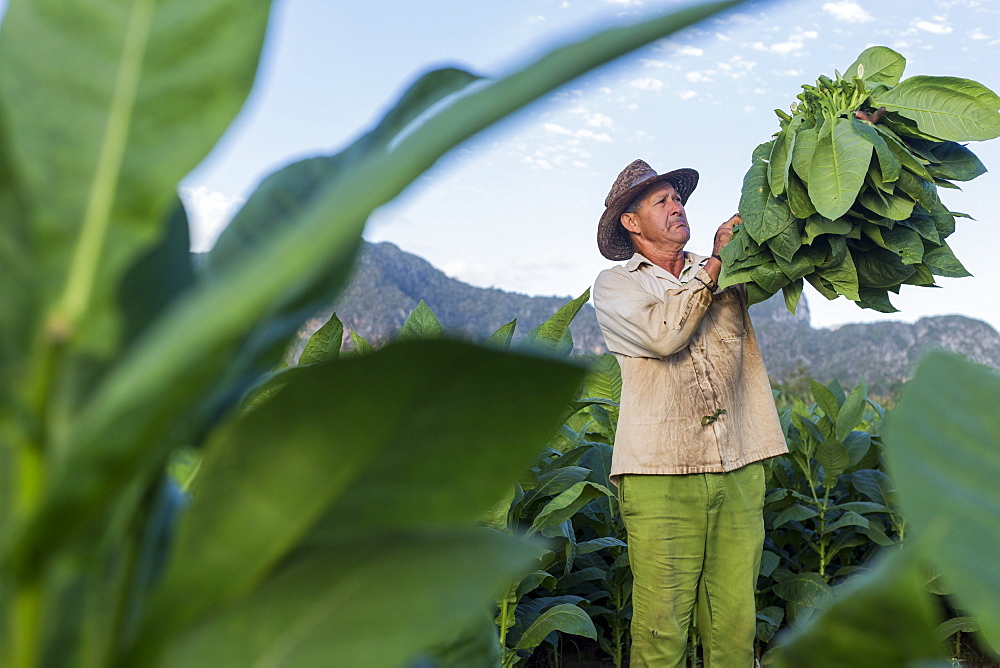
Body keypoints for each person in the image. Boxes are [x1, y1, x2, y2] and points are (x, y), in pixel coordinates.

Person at [592, 159, 788, 667]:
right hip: (660, 471)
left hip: (739, 463)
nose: (677, 207)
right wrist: (716, 266)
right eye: (661, 202)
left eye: (677, 199)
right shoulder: (616, 285)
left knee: (735, 627)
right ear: (631, 223)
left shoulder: (725, 265)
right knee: (662, 630)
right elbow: (664, 334)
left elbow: (793, 259)